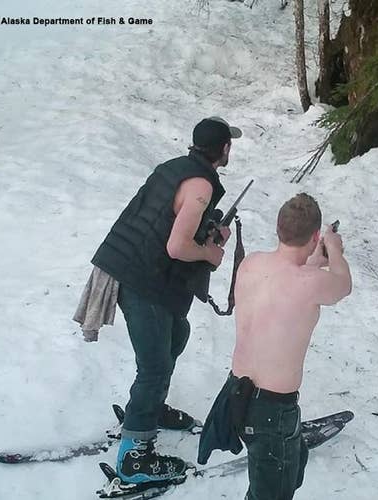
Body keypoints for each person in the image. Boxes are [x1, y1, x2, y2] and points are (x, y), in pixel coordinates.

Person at [88, 116, 241, 484]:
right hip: (142, 279)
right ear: (223, 148)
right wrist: (209, 253)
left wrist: (208, 231)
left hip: (136, 268)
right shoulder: (201, 185)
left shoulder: (174, 168)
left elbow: (165, 221)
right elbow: (177, 245)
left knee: (176, 336)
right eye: (229, 144)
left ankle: (150, 409)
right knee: (154, 367)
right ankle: (135, 460)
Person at [197, 193, 352, 500]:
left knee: (287, 472)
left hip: (237, 393)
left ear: (279, 228)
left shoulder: (252, 264)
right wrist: (333, 249)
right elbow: (342, 284)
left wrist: (314, 257)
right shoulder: (310, 282)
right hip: (271, 410)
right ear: (315, 236)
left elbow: (290, 275)